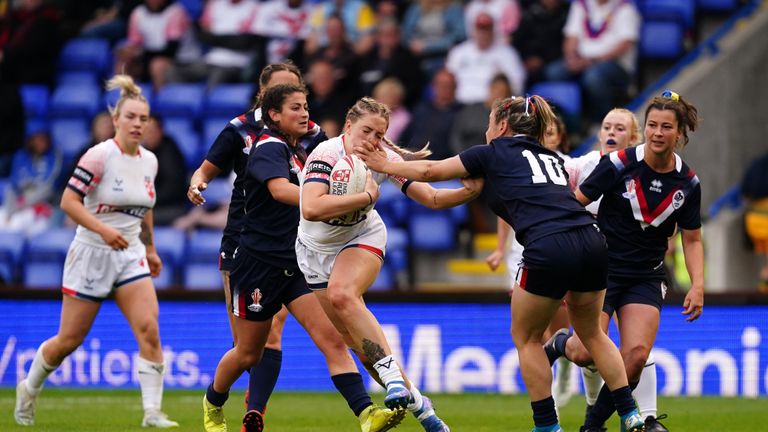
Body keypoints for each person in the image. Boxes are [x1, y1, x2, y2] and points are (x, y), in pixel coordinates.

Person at [356, 95, 646, 432]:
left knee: (527, 339)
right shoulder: (549, 156)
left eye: (490, 122)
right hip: (591, 240)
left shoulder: (491, 153)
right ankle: (630, 412)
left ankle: (547, 426)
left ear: (503, 126)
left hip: (549, 245)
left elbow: (431, 170)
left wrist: (384, 164)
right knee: (593, 333)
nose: (486, 129)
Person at [195, 81, 403, 432]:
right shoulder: (267, 148)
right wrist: (350, 200)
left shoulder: (303, 148)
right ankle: (213, 403)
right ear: (273, 115)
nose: (304, 112)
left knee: (334, 340)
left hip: (297, 261)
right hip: (259, 263)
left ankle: (366, 414)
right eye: (295, 107)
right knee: (248, 353)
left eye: (306, 105)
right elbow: (286, 193)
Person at [298, 97, 482, 432]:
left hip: (362, 237)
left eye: (380, 134)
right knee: (359, 347)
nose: (372, 140)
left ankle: (395, 380)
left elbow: (432, 197)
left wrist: (470, 192)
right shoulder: (324, 155)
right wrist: (366, 198)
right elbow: (311, 208)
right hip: (314, 252)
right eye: (366, 130)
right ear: (348, 126)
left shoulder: (384, 160)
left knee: (343, 294)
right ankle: (425, 411)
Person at [14, 74, 179, 429]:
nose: (137, 124)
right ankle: (28, 388)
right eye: (131, 117)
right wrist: (103, 230)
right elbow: (68, 202)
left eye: (143, 118)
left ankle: (152, 413)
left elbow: (145, 207)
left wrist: (150, 249)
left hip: (130, 253)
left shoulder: (149, 161)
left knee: (149, 328)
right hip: (91, 252)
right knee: (68, 341)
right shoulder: (99, 156)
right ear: (116, 119)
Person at [545, 90, 703, 432]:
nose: (657, 133)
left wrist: (698, 285)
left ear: (679, 134)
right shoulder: (618, 164)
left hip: (646, 276)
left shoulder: (688, 183)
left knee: (634, 358)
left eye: (665, 127)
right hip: (601, 272)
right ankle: (560, 343)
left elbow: (691, 238)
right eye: (652, 125)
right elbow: (576, 203)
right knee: (586, 353)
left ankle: (592, 426)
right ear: (644, 129)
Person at [484, 112, 575, 408]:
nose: (546, 138)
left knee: (556, 331)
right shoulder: (517, 160)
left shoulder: (565, 166)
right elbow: (506, 209)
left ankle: (562, 364)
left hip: (556, 249)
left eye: (551, 134)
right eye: (543, 133)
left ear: (559, 138)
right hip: (523, 254)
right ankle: (551, 406)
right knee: (534, 333)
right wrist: (500, 248)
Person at [543, 0, 641, 125]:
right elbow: (571, 36)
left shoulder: (625, 8)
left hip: (614, 64)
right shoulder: (581, 4)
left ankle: (603, 121)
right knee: (554, 72)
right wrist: (571, 58)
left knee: (593, 77)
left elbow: (625, 43)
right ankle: (570, 124)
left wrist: (592, 61)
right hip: (582, 59)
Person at [1, 125, 61, 235]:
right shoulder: (21, 156)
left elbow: (49, 189)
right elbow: (13, 187)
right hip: (17, 205)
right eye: (36, 139)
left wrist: (21, 206)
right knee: (3, 221)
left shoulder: (55, 156)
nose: (40, 143)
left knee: (17, 225)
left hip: (42, 205)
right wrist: (10, 211)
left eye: (43, 139)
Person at [740, 151, 768, 293]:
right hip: (765, 222)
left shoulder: (755, 165)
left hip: (754, 223)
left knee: (765, 261)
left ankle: (763, 291)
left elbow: (744, 194)